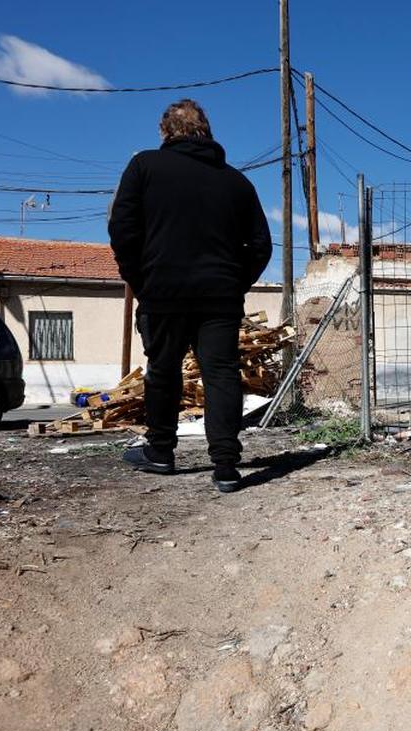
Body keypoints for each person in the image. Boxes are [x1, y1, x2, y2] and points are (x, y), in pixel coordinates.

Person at [109, 99, 271, 492]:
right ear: (207, 131)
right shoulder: (236, 182)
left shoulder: (144, 167)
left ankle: (161, 452)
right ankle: (227, 466)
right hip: (219, 295)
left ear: (166, 131)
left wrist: (142, 281)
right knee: (220, 373)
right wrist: (233, 283)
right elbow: (261, 245)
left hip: (162, 291)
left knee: (162, 371)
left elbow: (122, 230)